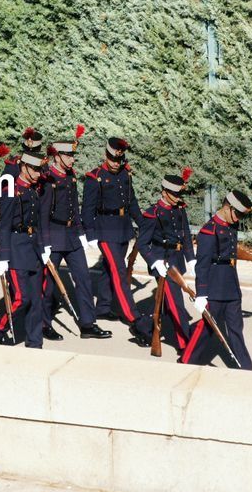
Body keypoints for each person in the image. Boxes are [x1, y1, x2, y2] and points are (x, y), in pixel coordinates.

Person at [181, 190, 252, 370]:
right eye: (237, 214)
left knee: (236, 329)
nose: (238, 220)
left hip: (231, 286)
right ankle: (186, 360)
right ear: (227, 208)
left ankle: (245, 368)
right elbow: (202, 265)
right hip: (214, 288)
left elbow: (233, 252)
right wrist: (202, 294)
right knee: (208, 328)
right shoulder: (208, 231)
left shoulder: (231, 225)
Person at [39, 133, 111, 340]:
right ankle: (44, 323)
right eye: (68, 156)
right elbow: (42, 214)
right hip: (53, 236)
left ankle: (88, 323)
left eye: (73, 155)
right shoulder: (48, 179)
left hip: (71, 236)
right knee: (48, 283)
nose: (72, 159)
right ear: (57, 156)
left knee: (84, 279)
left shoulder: (70, 176)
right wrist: (43, 243)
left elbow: (74, 208)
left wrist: (81, 233)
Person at [81, 137, 149, 335]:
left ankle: (103, 306)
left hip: (123, 228)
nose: (115, 163)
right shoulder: (95, 178)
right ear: (106, 156)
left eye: (118, 160)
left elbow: (132, 202)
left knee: (107, 268)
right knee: (120, 273)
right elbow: (87, 209)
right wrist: (91, 233)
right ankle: (132, 316)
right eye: (112, 159)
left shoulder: (125, 175)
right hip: (105, 230)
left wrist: (144, 224)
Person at [134, 169, 195, 351]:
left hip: (177, 260)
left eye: (179, 194)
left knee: (166, 305)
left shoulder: (180, 209)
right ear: (164, 192)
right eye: (174, 194)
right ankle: (185, 342)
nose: (177, 198)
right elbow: (142, 244)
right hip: (162, 263)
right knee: (176, 303)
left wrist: (191, 259)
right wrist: (155, 262)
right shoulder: (153, 213)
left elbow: (186, 236)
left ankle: (143, 327)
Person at [0, 149, 48, 347]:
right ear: (23, 167)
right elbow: (5, 225)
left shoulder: (33, 190)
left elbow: (38, 223)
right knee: (21, 298)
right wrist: (3, 257)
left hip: (32, 248)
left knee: (36, 299)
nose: (37, 174)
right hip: (16, 249)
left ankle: (34, 341)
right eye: (34, 170)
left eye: (39, 170)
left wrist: (43, 249)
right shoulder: (12, 190)